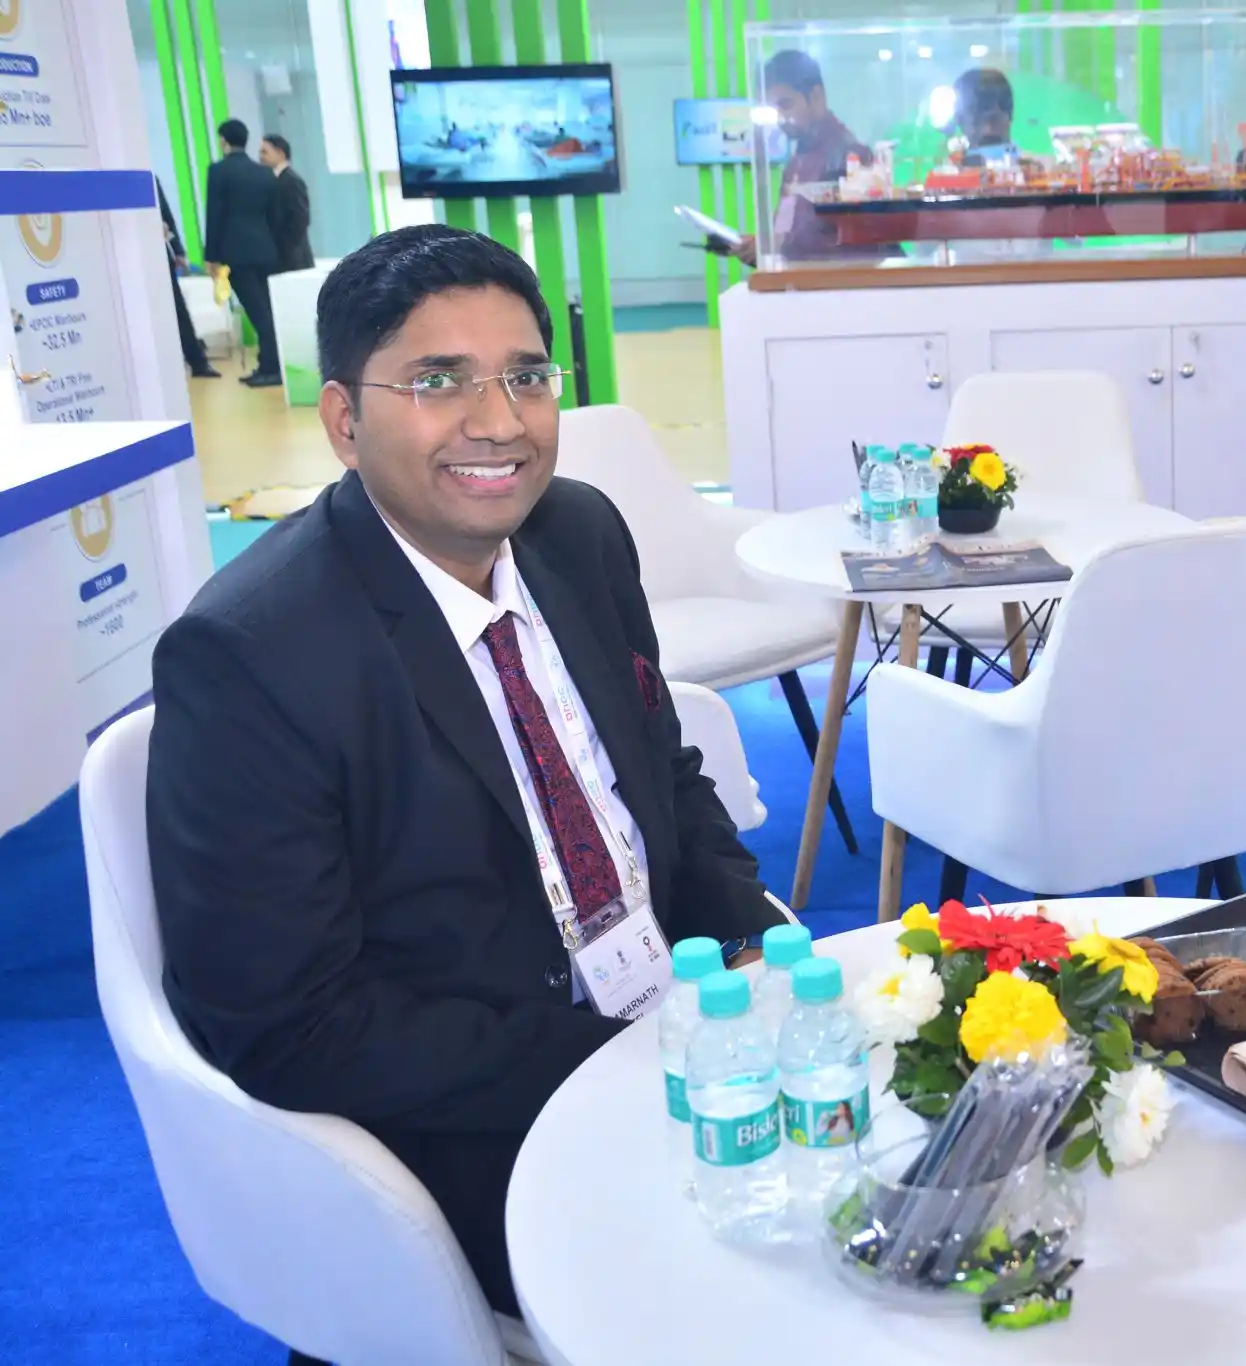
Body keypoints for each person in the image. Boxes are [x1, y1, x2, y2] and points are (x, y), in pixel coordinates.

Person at [148, 224, 784, 1315]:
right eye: (438, 381)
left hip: (672, 1032)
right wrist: (616, 1062)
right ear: (344, 420)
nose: (499, 422)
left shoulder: (578, 534)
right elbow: (287, 1024)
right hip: (470, 1126)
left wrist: (754, 946)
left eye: (526, 376)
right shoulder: (253, 654)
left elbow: (663, 771)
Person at [733, 50, 890, 266]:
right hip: (798, 282)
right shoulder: (797, 161)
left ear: (816, 96)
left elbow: (866, 252)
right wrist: (763, 247)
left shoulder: (850, 157)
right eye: (773, 109)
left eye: (786, 104)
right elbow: (787, 231)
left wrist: (780, 251)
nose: (780, 118)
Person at [203, 118, 284, 386]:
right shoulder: (264, 173)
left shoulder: (218, 171)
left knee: (259, 314)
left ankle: (272, 369)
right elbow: (275, 217)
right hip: (266, 251)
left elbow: (214, 215)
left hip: (236, 253)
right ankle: (268, 364)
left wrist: (211, 256)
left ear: (223, 141)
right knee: (267, 310)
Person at [156, 175, 219, 379]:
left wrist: (178, 250)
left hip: (159, 255)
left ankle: (198, 362)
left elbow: (165, 216)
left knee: (178, 309)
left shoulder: (149, 178)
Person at [260, 133, 315, 272]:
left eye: (265, 152)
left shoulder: (291, 181)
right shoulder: (273, 180)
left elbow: (300, 219)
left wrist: (285, 247)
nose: (261, 157)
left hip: (293, 259)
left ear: (280, 153)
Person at [953, 67, 1019, 167]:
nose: (988, 130)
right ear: (959, 119)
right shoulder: (948, 172)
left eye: (994, 119)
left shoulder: (1038, 170)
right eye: (977, 121)